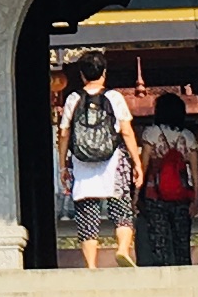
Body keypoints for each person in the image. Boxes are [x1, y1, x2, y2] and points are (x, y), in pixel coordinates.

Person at [54, 51, 139, 269]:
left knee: (86, 212)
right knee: (121, 209)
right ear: (104, 73)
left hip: (82, 162)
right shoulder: (114, 97)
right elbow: (127, 131)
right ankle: (122, 249)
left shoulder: (73, 98)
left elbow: (64, 133)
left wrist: (63, 164)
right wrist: (136, 162)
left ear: (82, 74)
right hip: (113, 159)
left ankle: (91, 265)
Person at [135, 109, 198, 270]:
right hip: (181, 195)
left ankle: (163, 276)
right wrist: (196, 200)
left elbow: (142, 166)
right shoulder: (188, 136)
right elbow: (195, 171)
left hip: (155, 194)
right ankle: (184, 275)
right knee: (181, 241)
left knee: (159, 240)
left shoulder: (151, 133)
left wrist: (136, 194)